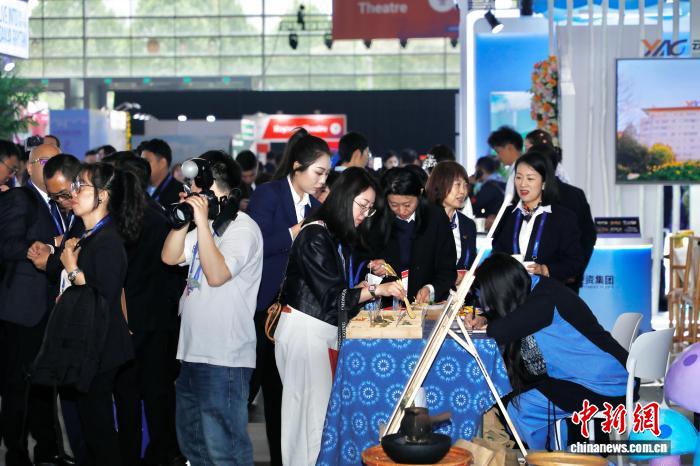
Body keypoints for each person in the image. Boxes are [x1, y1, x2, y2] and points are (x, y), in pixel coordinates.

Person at [276, 168, 405, 465]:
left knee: (316, 420)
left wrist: (368, 284)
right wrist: (377, 290)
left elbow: (338, 293)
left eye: (370, 209)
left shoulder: (330, 235)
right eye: (363, 205)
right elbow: (333, 299)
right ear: (345, 198)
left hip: (318, 331)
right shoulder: (315, 235)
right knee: (307, 425)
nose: (365, 214)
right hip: (306, 332)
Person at [466, 253, 629, 450]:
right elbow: (510, 319)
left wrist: (487, 320)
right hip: (600, 376)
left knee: (521, 408)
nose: (485, 304)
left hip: (605, 385)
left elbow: (500, 331)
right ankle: (552, 452)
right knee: (520, 400)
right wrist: (485, 317)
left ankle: (546, 457)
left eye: (487, 298)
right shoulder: (539, 288)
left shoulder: (544, 301)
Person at [161, 150, 262, 465]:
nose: (192, 194)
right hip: (192, 353)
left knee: (224, 451)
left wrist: (202, 222)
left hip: (224, 358)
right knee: (194, 448)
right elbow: (169, 257)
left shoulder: (242, 228)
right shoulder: (203, 227)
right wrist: (183, 220)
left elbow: (217, 275)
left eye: (196, 189)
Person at [246, 128, 330, 466]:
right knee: (264, 389)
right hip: (265, 308)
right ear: (297, 166)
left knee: (289, 394)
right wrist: (295, 232)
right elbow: (253, 246)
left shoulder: (316, 206)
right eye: (318, 172)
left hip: (300, 314)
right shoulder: (269, 194)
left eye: (326, 174)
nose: (323, 180)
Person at [102, 152, 184, 466]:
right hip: (158, 320)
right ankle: (163, 452)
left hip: (129, 321)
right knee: (157, 392)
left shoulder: (120, 219)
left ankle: (131, 455)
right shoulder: (159, 213)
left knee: (128, 395)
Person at [58, 162, 141, 465]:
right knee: (92, 428)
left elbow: (100, 297)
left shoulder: (108, 240)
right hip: (88, 345)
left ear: (103, 195)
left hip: (101, 347)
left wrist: (72, 268)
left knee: (99, 431)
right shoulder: (91, 235)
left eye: (81, 186)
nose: (74, 192)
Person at [0, 143, 65, 466]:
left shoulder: (60, 204)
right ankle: (15, 452)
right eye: (45, 161)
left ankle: (47, 448)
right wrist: (49, 245)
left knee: (44, 384)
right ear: (29, 167)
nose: (52, 166)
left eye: (58, 160)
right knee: (17, 386)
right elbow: (7, 244)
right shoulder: (20, 198)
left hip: (51, 308)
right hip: (23, 309)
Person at [492, 151, 584, 283]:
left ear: (544, 182)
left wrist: (545, 269)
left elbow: (575, 261)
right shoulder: (506, 214)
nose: (523, 184)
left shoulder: (563, 217)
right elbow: (496, 254)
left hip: (547, 290)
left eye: (530, 178)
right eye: (518, 177)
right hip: (511, 290)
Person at [370, 167, 457, 304]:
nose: (401, 211)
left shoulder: (436, 218)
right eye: (394, 205)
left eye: (407, 205)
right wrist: (375, 269)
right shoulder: (377, 220)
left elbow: (448, 269)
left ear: (420, 195)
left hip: (425, 305)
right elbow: (363, 263)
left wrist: (431, 289)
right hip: (387, 306)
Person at [529, 143, 596, 293]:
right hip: (552, 277)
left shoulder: (573, 196)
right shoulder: (575, 194)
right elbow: (589, 236)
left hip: (552, 278)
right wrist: (575, 271)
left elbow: (588, 235)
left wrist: (574, 270)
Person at [425, 161, 477, 278]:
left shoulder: (468, 224)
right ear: (440, 184)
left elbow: (471, 264)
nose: (463, 191)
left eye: (465, 185)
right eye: (457, 184)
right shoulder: (424, 220)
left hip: (462, 289)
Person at [141, 138, 184, 208]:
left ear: (162, 163)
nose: (142, 165)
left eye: (146, 161)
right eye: (141, 161)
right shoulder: (139, 188)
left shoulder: (180, 194)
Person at [470, 155, 506, 229]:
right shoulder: (501, 181)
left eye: (476, 170)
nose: (475, 173)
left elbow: (474, 206)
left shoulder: (490, 186)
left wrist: (471, 185)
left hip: (492, 224)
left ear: (480, 171)